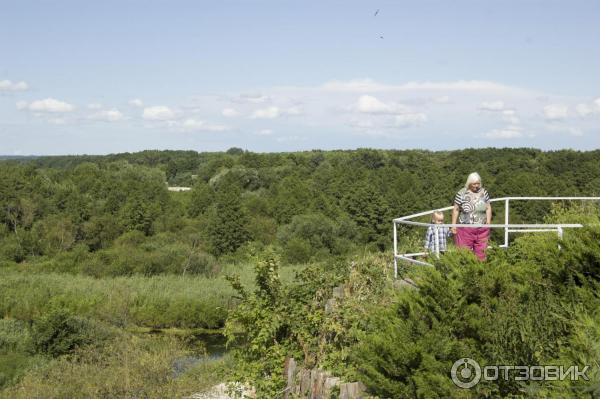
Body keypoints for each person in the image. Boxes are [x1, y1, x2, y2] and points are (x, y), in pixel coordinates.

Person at [451, 172, 492, 261]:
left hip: (482, 229)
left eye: (478, 183)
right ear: (469, 183)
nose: (476, 186)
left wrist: (488, 222)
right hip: (465, 229)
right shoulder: (461, 193)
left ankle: (480, 272)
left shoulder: (484, 192)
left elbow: (488, 207)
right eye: (474, 184)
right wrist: (453, 225)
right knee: (464, 254)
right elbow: (456, 209)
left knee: (482, 254)